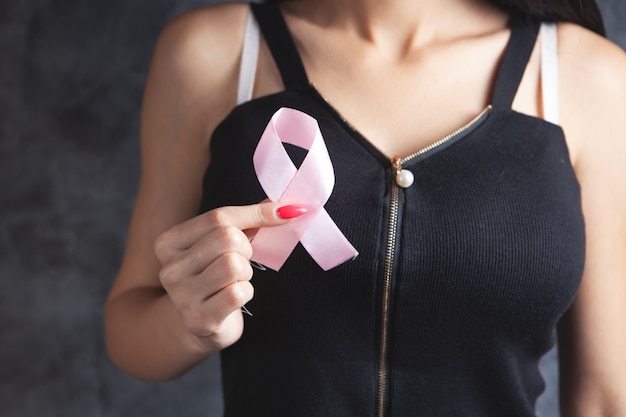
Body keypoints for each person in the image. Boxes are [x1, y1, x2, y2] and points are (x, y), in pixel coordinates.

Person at [105, 0, 626, 415]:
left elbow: (607, 399)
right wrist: (188, 322)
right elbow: (129, 327)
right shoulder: (213, 52)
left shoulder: (586, 79)